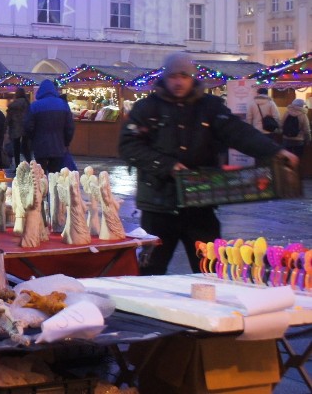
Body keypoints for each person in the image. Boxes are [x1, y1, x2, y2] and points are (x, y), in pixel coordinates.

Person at [119, 52, 299, 276]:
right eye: (173, 76)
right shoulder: (147, 109)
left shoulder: (209, 107)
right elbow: (129, 146)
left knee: (211, 268)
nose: (178, 81)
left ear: (192, 77)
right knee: (150, 270)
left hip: (200, 203)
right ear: (165, 78)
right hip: (158, 205)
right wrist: (167, 165)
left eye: (184, 75)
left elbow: (239, 133)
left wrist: (275, 151)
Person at [24, 79, 74, 174]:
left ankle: (43, 189)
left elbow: (28, 127)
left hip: (40, 146)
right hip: (58, 146)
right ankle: (53, 188)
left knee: (40, 175)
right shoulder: (63, 105)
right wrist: (66, 142)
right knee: (55, 174)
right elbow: (70, 127)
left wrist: (33, 139)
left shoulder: (34, 106)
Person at [6, 87, 31, 165]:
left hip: (15, 128)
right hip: (26, 128)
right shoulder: (27, 104)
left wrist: (5, 128)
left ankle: (17, 166)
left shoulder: (12, 105)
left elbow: (8, 118)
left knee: (16, 148)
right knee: (26, 148)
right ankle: (30, 164)